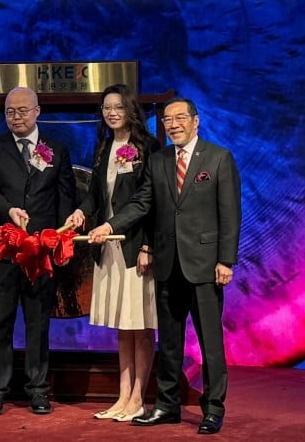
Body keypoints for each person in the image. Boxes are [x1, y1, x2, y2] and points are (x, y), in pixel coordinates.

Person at [88, 96, 241, 435]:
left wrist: (225, 260)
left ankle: (213, 409)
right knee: (169, 343)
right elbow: (143, 203)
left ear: (195, 121)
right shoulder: (158, 161)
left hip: (204, 266)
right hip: (167, 263)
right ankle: (167, 405)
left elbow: (230, 214)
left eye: (180, 118)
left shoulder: (218, 158)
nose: (173, 124)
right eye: (168, 119)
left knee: (210, 343)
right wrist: (111, 226)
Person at [0, 86, 76, 416]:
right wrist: (9, 211)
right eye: (10, 112)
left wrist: (60, 238)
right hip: (3, 250)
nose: (16, 117)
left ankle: (38, 388)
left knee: (38, 323)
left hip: (41, 253)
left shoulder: (58, 150)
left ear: (38, 112)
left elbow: (65, 199)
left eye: (22, 110)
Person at [66, 84, 159, 423]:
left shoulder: (149, 147)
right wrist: (82, 213)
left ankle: (138, 398)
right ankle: (122, 397)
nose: (111, 112)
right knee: (124, 325)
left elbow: (149, 201)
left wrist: (147, 244)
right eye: (106, 107)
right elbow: (95, 196)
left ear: (131, 108)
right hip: (109, 248)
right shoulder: (104, 147)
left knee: (142, 325)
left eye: (118, 106)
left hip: (137, 248)